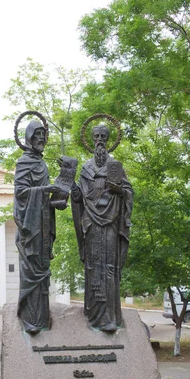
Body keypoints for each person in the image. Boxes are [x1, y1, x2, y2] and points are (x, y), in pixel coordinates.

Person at [71, 124, 133, 331]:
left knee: (109, 267)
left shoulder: (115, 166)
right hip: (91, 222)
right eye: (96, 136)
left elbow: (128, 191)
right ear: (91, 140)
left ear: (108, 140)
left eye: (103, 137)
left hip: (111, 221)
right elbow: (81, 197)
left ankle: (110, 318)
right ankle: (93, 314)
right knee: (92, 266)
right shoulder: (86, 168)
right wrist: (75, 194)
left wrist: (120, 191)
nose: (99, 140)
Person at [14, 121, 56, 334]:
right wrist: (44, 190)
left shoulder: (42, 164)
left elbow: (43, 195)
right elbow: (21, 193)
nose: (42, 139)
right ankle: (30, 319)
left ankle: (42, 319)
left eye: (44, 135)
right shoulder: (24, 163)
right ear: (29, 137)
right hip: (30, 227)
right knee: (31, 271)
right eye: (37, 134)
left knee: (43, 271)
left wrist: (56, 198)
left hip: (43, 223)